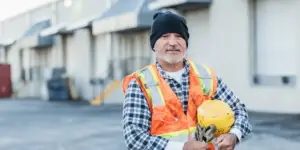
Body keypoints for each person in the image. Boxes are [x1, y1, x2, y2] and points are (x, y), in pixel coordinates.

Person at [122, 10, 252, 150]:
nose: (172, 43)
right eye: (165, 36)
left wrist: (234, 135)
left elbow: (239, 110)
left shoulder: (205, 76)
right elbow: (134, 137)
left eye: (179, 36)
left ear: (185, 43)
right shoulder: (141, 83)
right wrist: (181, 148)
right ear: (154, 45)